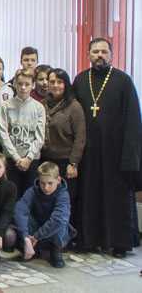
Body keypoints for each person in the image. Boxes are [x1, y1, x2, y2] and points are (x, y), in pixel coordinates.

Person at [74, 37, 140, 257]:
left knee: (116, 198)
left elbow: (133, 120)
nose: (99, 55)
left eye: (104, 51)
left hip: (116, 152)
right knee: (90, 195)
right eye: (95, 52)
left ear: (111, 55)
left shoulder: (123, 81)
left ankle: (119, 243)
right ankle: (89, 240)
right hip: (89, 152)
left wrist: (131, 155)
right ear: (88, 55)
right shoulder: (80, 80)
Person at [41, 68, 85, 242]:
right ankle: (47, 239)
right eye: (52, 82)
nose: (55, 85)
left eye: (60, 82)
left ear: (66, 84)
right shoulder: (43, 104)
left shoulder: (74, 106)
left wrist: (73, 163)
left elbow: (80, 137)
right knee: (47, 202)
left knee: (65, 203)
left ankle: (63, 240)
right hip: (45, 161)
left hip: (65, 162)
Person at [14, 162, 75, 268]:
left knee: (61, 221)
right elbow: (19, 210)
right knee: (23, 216)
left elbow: (59, 219)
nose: (46, 187)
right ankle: (33, 248)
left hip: (53, 232)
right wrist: (25, 237)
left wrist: (37, 236)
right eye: (42, 183)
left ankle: (56, 250)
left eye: (50, 183)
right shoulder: (32, 191)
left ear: (58, 180)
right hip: (36, 226)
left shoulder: (63, 195)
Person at [0, 70, 46, 196]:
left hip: (32, 159)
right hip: (11, 158)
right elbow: (3, 134)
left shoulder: (39, 107)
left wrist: (29, 158)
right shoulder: (6, 106)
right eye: (20, 84)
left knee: (30, 195)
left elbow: (40, 137)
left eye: (27, 84)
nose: (23, 87)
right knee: (12, 195)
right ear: (14, 84)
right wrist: (16, 158)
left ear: (33, 85)